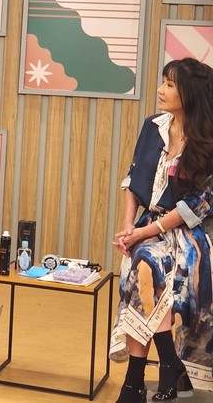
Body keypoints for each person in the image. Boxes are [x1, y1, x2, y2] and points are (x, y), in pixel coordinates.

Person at [111, 58, 213, 403]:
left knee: (144, 265)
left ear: (191, 92)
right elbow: (133, 180)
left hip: (191, 234)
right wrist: (129, 226)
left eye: (170, 84)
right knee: (144, 263)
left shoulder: (208, 138)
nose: (161, 90)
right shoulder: (152, 126)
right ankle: (168, 366)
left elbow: (198, 205)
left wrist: (143, 234)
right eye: (163, 82)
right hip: (148, 228)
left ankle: (136, 380)